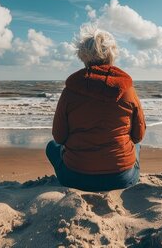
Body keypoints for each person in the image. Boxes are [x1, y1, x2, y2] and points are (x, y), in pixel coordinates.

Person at [45, 27, 146, 192]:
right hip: (121, 178)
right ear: (112, 54)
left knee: (51, 146)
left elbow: (59, 136)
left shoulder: (70, 90)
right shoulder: (127, 90)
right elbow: (138, 135)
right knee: (137, 145)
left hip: (75, 177)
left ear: (83, 55)